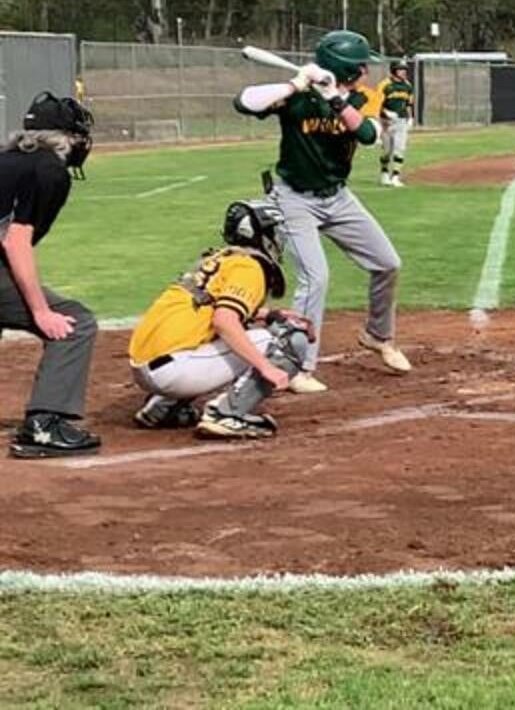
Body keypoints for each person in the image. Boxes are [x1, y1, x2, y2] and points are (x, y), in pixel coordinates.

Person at [233, 30, 409, 393]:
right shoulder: (297, 96)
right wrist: (296, 84)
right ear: (346, 68)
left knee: (387, 263)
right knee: (316, 278)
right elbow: (244, 102)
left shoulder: (362, 96)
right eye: (361, 66)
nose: (366, 71)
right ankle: (299, 367)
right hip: (293, 199)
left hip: (338, 197)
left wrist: (333, 98)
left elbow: (369, 135)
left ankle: (378, 335)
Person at [127, 199, 309, 440]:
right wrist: (266, 368)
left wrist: (270, 314)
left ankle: (165, 406)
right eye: (273, 231)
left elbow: (209, 308)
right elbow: (224, 321)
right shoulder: (250, 267)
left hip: (145, 364)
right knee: (289, 338)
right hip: (175, 371)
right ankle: (226, 414)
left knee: (235, 326)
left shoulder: (221, 259)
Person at [1, 92, 102, 458]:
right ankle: (45, 424)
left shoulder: (8, 160)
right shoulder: (49, 170)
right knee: (75, 323)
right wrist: (41, 310)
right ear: (64, 138)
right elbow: (16, 241)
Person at [377, 59, 415, 187]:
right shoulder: (385, 85)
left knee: (400, 148)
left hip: (401, 120)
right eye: (400, 69)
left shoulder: (408, 85)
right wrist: (385, 113)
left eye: (404, 69)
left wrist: (410, 117)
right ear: (394, 70)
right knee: (387, 150)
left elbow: (409, 103)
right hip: (386, 122)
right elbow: (377, 103)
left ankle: (395, 176)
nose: (403, 72)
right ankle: (384, 173)